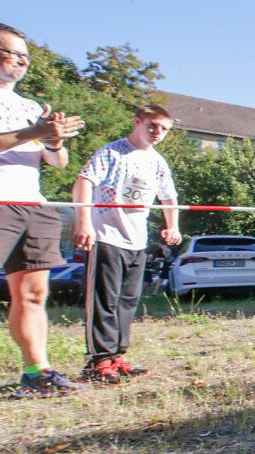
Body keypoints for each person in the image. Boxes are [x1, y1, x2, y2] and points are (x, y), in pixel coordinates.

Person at [0, 22, 88, 396]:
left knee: (34, 293)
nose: (21, 62)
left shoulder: (30, 106)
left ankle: (37, 372)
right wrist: (33, 133)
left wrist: (52, 138)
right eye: (12, 53)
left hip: (31, 203)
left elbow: (60, 161)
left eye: (25, 56)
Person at [73, 103, 180, 384]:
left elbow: (168, 196)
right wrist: (83, 223)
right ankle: (99, 361)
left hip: (137, 241)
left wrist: (173, 226)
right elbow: (83, 181)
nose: (158, 133)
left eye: (164, 129)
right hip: (106, 236)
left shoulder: (157, 161)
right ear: (137, 122)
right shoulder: (112, 152)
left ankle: (117, 356)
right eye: (152, 126)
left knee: (128, 301)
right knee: (104, 300)